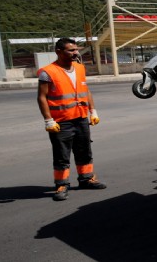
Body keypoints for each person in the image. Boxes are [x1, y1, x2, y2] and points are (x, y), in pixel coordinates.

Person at [37, 38, 106, 201]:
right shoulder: (48, 71)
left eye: (76, 49)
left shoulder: (80, 68)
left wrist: (93, 111)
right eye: (71, 50)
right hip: (61, 121)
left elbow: (86, 90)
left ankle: (86, 179)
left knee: (84, 150)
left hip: (81, 118)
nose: (76, 53)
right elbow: (41, 97)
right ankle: (61, 184)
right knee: (62, 154)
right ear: (59, 52)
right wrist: (48, 120)